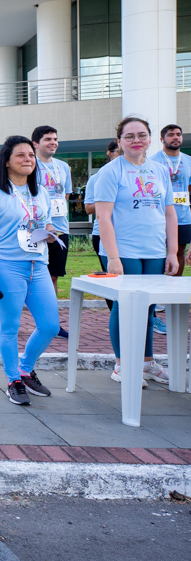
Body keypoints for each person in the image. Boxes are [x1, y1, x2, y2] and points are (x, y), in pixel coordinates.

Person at [0, 136, 59, 406]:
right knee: (10, 326)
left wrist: (49, 233)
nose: (28, 159)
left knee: (50, 326)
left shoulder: (40, 192)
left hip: (39, 265)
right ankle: (13, 380)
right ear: (7, 162)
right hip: (7, 266)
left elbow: (46, 223)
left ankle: (25, 369)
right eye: (20, 155)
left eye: (31, 155)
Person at [91, 116, 175, 385]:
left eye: (141, 135)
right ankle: (122, 365)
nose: (136, 140)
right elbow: (103, 217)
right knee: (124, 306)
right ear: (120, 141)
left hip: (154, 250)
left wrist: (172, 252)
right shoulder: (111, 172)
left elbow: (169, 213)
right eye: (129, 136)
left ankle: (146, 362)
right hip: (123, 250)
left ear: (150, 139)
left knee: (148, 308)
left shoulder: (160, 170)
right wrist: (113, 257)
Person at [149, 124, 191, 333]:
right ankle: (156, 296)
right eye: (171, 135)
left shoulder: (188, 161)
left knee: (179, 252)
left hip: (183, 216)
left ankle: (172, 292)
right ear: (162, 139)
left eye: (178, 134)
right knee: (158, 254)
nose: (175, 138)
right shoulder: (153, 161)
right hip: (159, 217)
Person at [31, 125, 72, 339]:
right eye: (48, 139)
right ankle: (33, 322)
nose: (53, 142)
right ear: (35, 144)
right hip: (36, 230)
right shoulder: (30, 165)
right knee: (31, 276)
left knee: (53, 276)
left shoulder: (63, 167)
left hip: (60, 229)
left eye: (55, 139)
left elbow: (65, 195)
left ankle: (52, 324)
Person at [84, 140, 121, 311]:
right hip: (102, 233)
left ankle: (148, 318)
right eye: (118, 151)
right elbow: (88, 208)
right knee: (111, 277)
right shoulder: (97, 177)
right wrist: (109, 202)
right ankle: (115, 313)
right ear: (109, 153)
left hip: (129, 233)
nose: (121, 154)